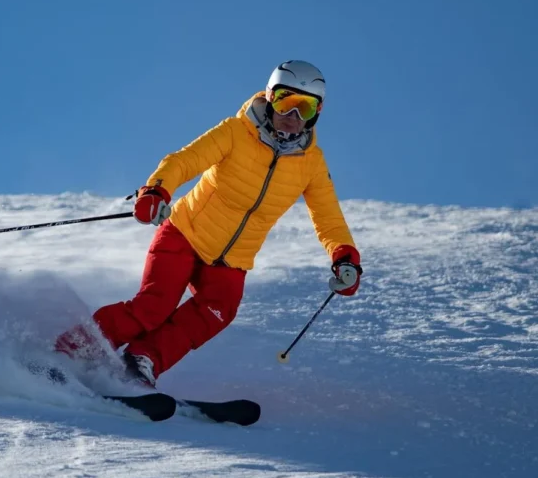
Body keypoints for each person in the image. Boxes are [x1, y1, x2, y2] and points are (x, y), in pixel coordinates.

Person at [55, 60, 361, 387]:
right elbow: (185, 160)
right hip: (185, 234)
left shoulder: (311, 164)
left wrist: (345, 257)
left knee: (218, 310)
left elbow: (328, 215)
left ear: (317, 112)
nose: (293, 115)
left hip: (232, 260)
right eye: (287, 101)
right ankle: (71, 351)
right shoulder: (236, 131)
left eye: (306, 106)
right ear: (271, 97)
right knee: (153, 306)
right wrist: (156, 191)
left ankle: (142, 360)